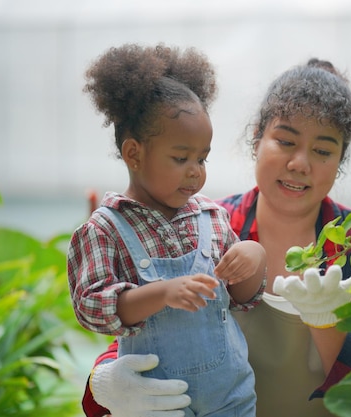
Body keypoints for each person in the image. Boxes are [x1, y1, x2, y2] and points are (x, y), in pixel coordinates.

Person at [81, 57, 351, 417]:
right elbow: (145, 331)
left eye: (323, 151)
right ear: (257, 138)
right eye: (285, 141)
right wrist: (103, 383)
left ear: (341, 159)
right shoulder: (207, 228)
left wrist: (330, 323)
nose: (300, 163)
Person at [67, 43, 267, 417]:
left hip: (231, 397)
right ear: (134, 153)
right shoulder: (105, 229)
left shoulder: (212, 217)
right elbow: (92, 307)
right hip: (155, 401)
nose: (196, 170)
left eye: (202, 158)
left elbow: (242, 297)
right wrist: (161, 293)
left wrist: (254, 259)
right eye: (181, 158)